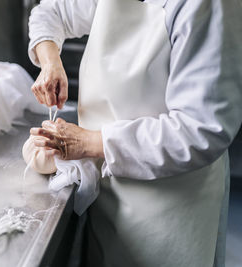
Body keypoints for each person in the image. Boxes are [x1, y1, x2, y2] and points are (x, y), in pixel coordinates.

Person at [27, 0, 242, 266]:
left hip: (172, 206)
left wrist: (91, 141)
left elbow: (202, 129)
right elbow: (51, 11)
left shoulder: (208, 5)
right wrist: (50, 60)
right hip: (108, 190)